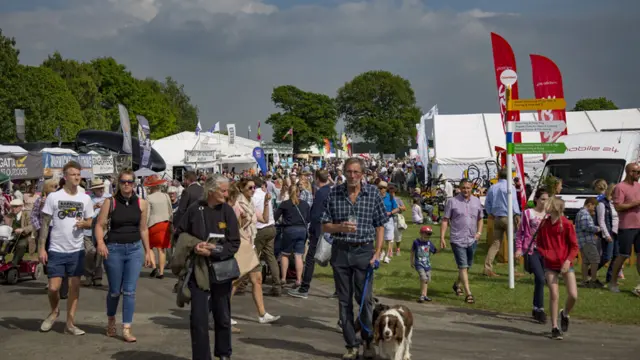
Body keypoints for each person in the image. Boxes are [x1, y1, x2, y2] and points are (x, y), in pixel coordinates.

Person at [321, 157, 387, 360]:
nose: (352, 175)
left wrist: (377, 252)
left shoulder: (373, 193)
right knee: (344, 301)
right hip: (341, 251)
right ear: (344, 172)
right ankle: (351, 344)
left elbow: (380, 225)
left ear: (362, 174)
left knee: (365, 300)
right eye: (349, 171)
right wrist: (340, 227)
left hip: (364, 251)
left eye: (356, 172)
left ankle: (368, 341)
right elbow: (324, 225)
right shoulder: (334, 193)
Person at [174, 174, 240, 360]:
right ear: (211, 190)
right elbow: (179, 234)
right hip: (198, 270)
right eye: (223, 190)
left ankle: (224, 353)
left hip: (222, 270)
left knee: (223, 316)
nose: (227, 194)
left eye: (227, 190)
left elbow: (234, 243)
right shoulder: (196, 210)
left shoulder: (227, 211)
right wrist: (194, 246)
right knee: (199, 319)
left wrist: (214, 251)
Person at [95, 169, 154, 342]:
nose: (127, 184)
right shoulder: (110, 202)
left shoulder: (142, 204)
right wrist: (100, 242)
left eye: (130, 182)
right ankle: (111, 319)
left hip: (135, 250)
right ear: (118, 183)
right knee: (114, 291)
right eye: (123, 182)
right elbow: (100, 225)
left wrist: (148, 251)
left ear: (134, 184)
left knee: (130, 292)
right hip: (114, 249)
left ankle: (127, 328)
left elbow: (143, 229)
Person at [38, 161, 95, 335]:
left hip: (76, 250)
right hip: (56, 249)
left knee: (74, 287)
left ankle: (70, 324)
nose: (77, 177)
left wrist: (85, 223)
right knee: (53, 288)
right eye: (73, 174)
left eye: (79, 174)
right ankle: (54, 311)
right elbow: (45, 224)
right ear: (65, 176)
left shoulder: (85, 198)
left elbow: (91, 221)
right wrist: (41, 248)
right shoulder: (54, 197)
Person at [535, 197, 579, 340]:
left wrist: (568, 261)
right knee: (554, 294)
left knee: (573, 295)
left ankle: (565, 313)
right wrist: (546, 254)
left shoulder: (566, 224)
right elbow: (539, 243)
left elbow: (574, 246)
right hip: (550, 265)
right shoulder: (544, 224)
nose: (545, 205)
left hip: (565, 264)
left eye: (548, 203)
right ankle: (554, 327)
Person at [288, 169, 331, 298]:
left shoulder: (321, 193)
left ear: (317, 178)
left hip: (319, 228)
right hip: (329, 228)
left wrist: (311, 227)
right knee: (334, 259)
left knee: (310, 258)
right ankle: (339, 290)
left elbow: (316, 213)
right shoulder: (331, 190)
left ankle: (304, 288)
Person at [440, 179, 483, 304]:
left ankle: (457, 284)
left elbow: (480, 218)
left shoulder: (476, 201)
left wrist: (479, 233)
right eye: (463, 188)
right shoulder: (452, 202)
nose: (466, 190)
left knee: (467, 265)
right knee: (463, 266)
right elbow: (445, 220)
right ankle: (469, 293)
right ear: (459, 188)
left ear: (472, 188)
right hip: (457, 239)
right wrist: (442, 237)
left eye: (468, 188)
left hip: (472, 239)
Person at [515, 187, 549, 323]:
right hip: (532, 249)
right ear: (536, 199)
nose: (545, 202)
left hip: (546, 251)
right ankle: (540, 309)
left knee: (541, 280)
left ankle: (536, 307)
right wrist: (518, 249)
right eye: (542, 199)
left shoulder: (549, 215)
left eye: (547, 200)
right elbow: (520, 233)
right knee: (540, 278)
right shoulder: (528, 214)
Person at [484, 168, 521, 277]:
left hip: (497, 218)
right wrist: (517, 214)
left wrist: (490, 212)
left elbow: (487, 202)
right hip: (508, 217)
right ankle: (513, 270)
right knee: (513, 243)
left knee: (495, 244)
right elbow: (514, 202)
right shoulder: (511, 187)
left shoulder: (493, 187)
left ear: (499, 176)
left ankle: (487, 267)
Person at [609, 163, 640, 296]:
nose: (638, 174)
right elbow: (618, 207)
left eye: (639, 172)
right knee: (623, 255)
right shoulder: (620, 187)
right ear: (629, 172)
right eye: (636, 172)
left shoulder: (638, 186)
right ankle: (613, 282)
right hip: (626, 227)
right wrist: (636, 203)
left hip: (639, 226)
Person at [274, 184, 311, 288]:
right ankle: (299, 279)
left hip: (289, 230)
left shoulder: (285, 204)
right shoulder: (305, 205)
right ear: (299, 192)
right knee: (298, 256)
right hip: (302, 230)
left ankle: (283, 278)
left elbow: (275, 217)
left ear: (289, 193)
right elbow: (308, 219)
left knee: (285, 254)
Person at [252, 177, 281, 296]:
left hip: (261, 228)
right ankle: (277, 285)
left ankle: (242, 284)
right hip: (271, 227)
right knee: (270, 257)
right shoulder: (265, 195)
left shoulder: (254, 197)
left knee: (252, 257)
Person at [83, 179, 110, 287]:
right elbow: (84, 213)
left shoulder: (109, 198)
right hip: (88, 230)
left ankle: (97, 276)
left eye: (102, 188)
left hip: (102, 231)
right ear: (93, 190)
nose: (101, 190)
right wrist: (93, 207)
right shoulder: (88, 199)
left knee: (100, 253)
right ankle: (88, 275)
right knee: (90, 252)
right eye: (99, 188)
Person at [145, 175, 172, 279]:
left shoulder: (149, 198)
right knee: (162, 249)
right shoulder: (166, 196)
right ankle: (161, 272)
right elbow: (170, 211)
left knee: (150, 247)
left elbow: (147, 214)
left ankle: (154, 267)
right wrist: (171, 223)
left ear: (150, 187)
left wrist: (145, 226)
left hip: (153, 224)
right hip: (165, 223)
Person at [575, 198, 602, 287]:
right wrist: (597, 228)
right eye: (594, 206)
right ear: (589, 204)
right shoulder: (585, 214)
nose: (594, 209)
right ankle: (593, 280)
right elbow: (586, 227)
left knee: (585, 261)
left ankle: (584, 281)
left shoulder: (580, 213)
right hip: (587, 241)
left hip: (582, 241)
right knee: (595, 260)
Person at [410, 225, 437, 303]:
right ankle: (422, 295)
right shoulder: (416, 242)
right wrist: (411, 261)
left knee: (427, 280)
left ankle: (425, 295)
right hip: (419, 264)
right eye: (427, 233)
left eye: (430, 234)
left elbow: (435, 251)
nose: (429, 235)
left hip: (427, 265)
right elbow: (412, 252)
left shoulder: (429, 243)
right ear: (421, 233)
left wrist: (441, 247)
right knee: (424, 278)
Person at [5, 199, 33, 266]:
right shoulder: (8, 216)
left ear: (21, 206)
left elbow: (32, 226)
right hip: (10, 237)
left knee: (21, 245)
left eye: (15, 206)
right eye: (12, 207)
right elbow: (4, 225)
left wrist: (23, 229)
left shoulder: (27, 214)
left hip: (24, 237)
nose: (13, 208)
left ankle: (14, 264)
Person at [378, 181, 399, 264]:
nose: (380, 189)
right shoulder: (376, 197)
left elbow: (397, 208)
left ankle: (387, 256)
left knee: (389, 239)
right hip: (379, 220)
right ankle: (381, 252)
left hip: (389, 220)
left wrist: (390, 212)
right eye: (379, 188)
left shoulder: (390, 197)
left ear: (385, 189)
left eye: (382, 188)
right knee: (380, 238)